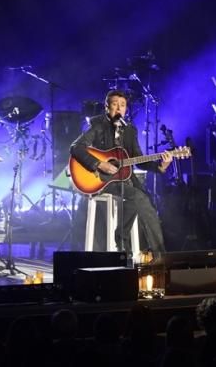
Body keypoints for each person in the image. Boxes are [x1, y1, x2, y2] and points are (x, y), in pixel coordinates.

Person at [70, 89, 171, 254]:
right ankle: (139, 246)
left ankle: (156, 254)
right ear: (106, 107)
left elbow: (139, 159)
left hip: (123, 181)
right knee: (140, 197)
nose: (119, 109)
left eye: (122, 105)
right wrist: (98, 164)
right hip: (101, 180)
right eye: (115, 104)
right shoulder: (98, 126)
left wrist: (161, 167)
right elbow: (76, 147)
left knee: (145, 201)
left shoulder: (129, 130)